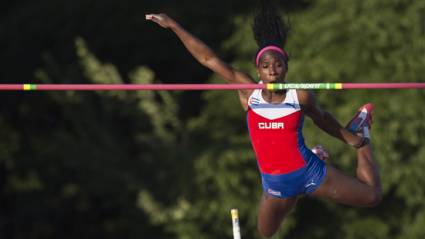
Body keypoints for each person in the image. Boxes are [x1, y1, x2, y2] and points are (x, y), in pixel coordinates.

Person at [146, 1, 382, 237]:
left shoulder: (299, 96)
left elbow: (323, 120)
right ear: (258, 71)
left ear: (286, 68)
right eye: (266, 66)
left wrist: (354, 140)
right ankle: (314, 165)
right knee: (266, 232)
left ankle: (362, 135)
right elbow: (209, 59)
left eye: (278, 65)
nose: (272, 71)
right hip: (276, 184)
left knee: (371, 196)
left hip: (310, 173)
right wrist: (173, 25)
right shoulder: (249, 92)